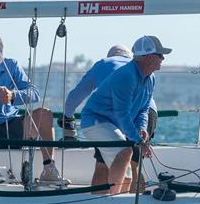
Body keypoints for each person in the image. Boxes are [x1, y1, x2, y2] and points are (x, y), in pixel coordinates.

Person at [0, 34, 64, 183]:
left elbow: (35, 93)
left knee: (45, 114)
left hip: (12, 124)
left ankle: (49, 168)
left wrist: (13, 95)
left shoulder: (12, 65)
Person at [81, 35, 169, 194]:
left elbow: (143, 108)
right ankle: (114, 200)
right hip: (95, 120)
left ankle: (118, 201)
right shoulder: (126, 75)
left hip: (110, 123)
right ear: (148, 57)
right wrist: (138, 140)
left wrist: (141, 128)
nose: (163, 58)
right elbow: (122, 114)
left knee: (126, 162)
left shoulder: (151, 78)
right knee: (125, 151)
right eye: (159, 54)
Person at [64, 44, 157, 192]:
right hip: (146, 112)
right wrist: (141, 128)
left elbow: (75, 97)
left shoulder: (104, 64)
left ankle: (102, 201)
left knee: (104, 163)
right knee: (134, 163)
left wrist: (67, 118)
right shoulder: (140, 70)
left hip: (113, 116)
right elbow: (141, 107)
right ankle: (131, 202)